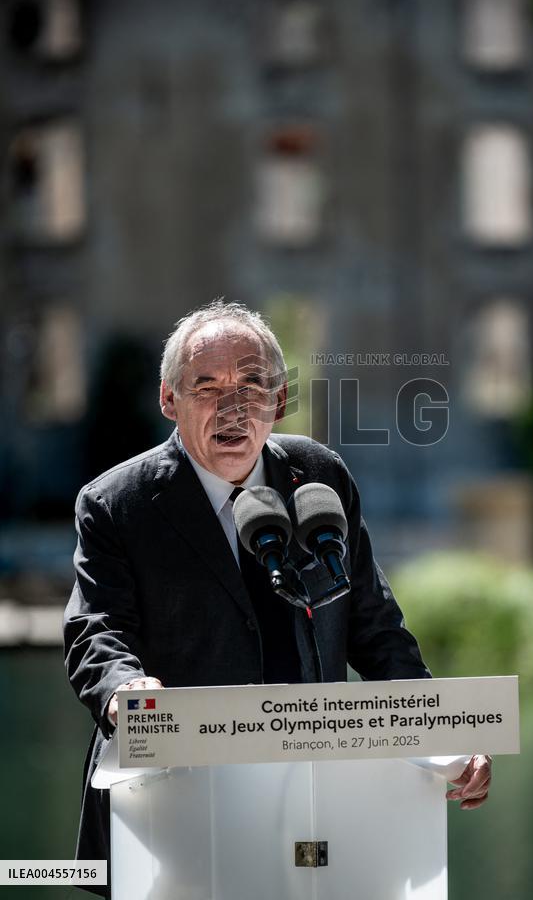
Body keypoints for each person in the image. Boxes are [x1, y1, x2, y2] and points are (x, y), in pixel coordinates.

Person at [63, 299, 491, 897]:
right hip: (172, 810)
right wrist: (124, 692)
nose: (232, 407)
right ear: (169, 401)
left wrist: (438, 733)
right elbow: (97, 632)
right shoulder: (117, 503)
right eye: (206, 386)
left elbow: (376, 630)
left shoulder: (322, 478)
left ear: (280, 399)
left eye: (252, 384)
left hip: (315, 809)